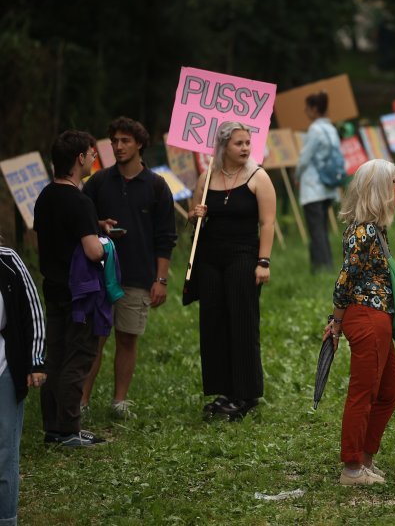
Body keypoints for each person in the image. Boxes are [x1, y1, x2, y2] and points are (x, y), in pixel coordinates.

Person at [81, 117, 177, 419]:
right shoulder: (97, 182)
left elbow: (166, 237)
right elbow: (79, 221)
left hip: (137, 274)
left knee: (127, 337)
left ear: (139, 144)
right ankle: (80, 401)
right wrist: (98, 225)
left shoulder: (157, 186)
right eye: (114, 141)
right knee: (94, 338)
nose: (118, 146)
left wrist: (160, 279)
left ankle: (119, 401)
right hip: (97, 272)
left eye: (125, 141)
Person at [323, 159, 395, 486]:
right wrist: (336, 321)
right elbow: (345, 280)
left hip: (378, 315)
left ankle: (365, 458)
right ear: (381, 188)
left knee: (389, 389)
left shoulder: (375, 228)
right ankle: (352, 468)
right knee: (364, 392)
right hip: (366, 315)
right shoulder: (364, 231)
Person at [189, 122, 276, 420]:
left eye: (248, 143)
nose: (246, 148)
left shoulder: (258, 177)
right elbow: (195, 216)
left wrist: (263, 261)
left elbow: (267, 223)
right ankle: (223, 388)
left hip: (244, 256)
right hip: (210, 258)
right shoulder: (207, 176)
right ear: (224, 146)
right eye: (239, 143)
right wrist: (194, 214)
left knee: (242, 320)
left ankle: (247, 392)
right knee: (213, 321)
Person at [33, 130, 107, 447]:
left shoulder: (45, 196)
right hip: (81, 293)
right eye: (91, 154)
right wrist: (105, 245)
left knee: (56, 358)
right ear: (79, 158)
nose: (93, 158)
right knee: (78, 358)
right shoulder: (79, 200)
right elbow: (92, 251)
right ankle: (70, 429)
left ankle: (53, 428)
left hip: (54, 288)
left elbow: (47, 239)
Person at [0, 242, 45, 524]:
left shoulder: (8, 260)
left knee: (5, 450)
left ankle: (6, 519)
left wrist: (36, 360)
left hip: (6, 366)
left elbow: (33, 310)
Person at [296, 92, 339, 273]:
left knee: (316, 230)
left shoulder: (315, 129)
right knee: (322, 227)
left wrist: (296, 175)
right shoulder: (331, 128)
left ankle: (321, 267)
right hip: (328, 186)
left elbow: (305, 158)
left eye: (307, 107)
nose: (306, 111)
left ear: (314, 109)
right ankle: (326, 264)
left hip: (313, 186)